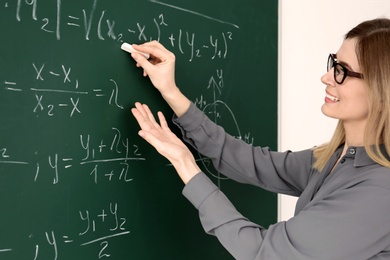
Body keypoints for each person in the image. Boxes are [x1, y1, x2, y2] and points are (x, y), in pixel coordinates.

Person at [129, 18, 390, 259]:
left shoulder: (379, 191)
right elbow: (252, 163)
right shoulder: (338, 157)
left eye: (342, 71)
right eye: (333, 63)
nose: (327, 77)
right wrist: (171, 92)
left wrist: (186, 164)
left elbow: (263, 253)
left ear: (380, 87)